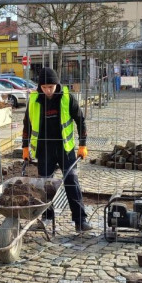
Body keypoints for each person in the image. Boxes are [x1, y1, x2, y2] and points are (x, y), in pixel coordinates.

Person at [22, 67, 92, 232]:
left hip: (64, 148)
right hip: (44, 148)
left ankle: (80, 220)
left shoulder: (67, 98)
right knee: (45, 185)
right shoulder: (34, 100)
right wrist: (25, 147)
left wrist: (83, 144)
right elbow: (27, 124)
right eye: (44, 87)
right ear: (40, 87)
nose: (47, 91)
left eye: (51, 87)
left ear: (57, 85)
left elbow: (80, 119)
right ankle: (47, 217)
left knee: (71, 181)